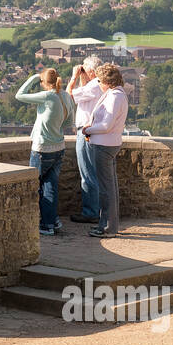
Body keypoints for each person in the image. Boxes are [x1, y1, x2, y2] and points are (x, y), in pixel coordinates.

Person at [15, 67, 76, 236]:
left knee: (35, 186)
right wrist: (54, 127)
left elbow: (19, 95)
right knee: (51, 186)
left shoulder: (48, 96)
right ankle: (52, 221)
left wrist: (34, 77)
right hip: (59, 148)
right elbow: (69, 122)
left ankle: (45, 224)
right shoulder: (65, 96)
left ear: (44, 82)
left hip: (42, 149)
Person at [79, 63, 128, 237]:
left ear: (107, 80)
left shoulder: (115, 96)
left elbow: (106, 125)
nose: (98, 82)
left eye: (100, 79)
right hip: (108, 143)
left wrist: (87, 130)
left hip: (104, 145)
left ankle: (107, 228)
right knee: (110, 187)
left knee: (106, 189)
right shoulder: (117, 94)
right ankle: (109, 225)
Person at [68, 55, 104, 224]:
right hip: (95, 132)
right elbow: (83, 98)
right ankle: (97, 210)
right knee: (94, 173)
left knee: (87, 173)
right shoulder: (98, 85)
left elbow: (69, 97)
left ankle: (90, 212)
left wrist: (74, 77)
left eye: (84, 69)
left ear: (91, 71)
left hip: (86, 132)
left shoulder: (94, 86)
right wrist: (83, 78)